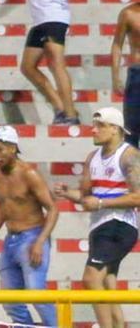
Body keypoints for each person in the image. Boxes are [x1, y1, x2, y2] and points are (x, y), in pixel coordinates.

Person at [54, 108, 140, 328]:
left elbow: (138, 197)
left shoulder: (129, 156)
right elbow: (86, 198)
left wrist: (101, 203)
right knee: (108, 284)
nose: (93, 130)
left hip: (119, 224)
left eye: (100, 126)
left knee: (91, 278)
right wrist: (67, 193)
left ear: (115, 129)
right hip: (100, 226)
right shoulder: (92, 158)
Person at [0, 125, 59, 327]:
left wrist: (40, 241)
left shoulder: (29, 174)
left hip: (32, 236)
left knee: (36, 293)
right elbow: (3, 206)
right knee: (10, 301)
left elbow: (52, 209)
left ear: (13, 148)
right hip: (11, 240)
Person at [112, 0, 140, 145]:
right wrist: (115, 77)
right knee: (131, 130)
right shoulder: (129, 13)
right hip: (137, 74)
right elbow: (117, 44)